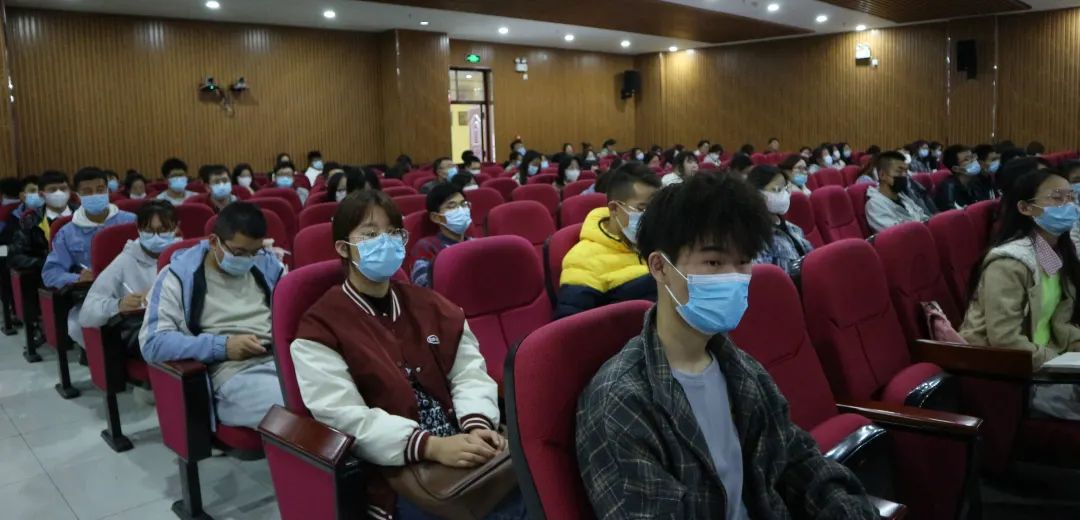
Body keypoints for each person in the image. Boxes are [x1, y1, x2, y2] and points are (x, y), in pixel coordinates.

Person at [575, 172, 877, 519]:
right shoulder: (621, 401)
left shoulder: (741, 369)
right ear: (659, 267)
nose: (733, 278)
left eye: (744, 261)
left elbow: (799, 463)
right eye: (714, 262)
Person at [288, 190, 524, 520]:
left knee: (534, 490)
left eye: (393, 232)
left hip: (465, 440)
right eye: (370, 234)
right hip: (397, 465)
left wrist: (477, 423)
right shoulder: (321, 326)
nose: (385, 242)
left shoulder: (430, 304)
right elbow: (343, 415)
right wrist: (431, 446)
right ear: (343, 248)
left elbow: (468, 371)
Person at [140, 202, 284, 428]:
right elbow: (153, 343)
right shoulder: (177, 276)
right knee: (292, 407)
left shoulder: (267, 265)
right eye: (239, 252)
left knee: (330, 394)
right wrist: (221, 347)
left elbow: (292, 312)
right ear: (214, 242)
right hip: (232, 372)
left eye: (254, 252)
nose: (247, 260)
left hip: (280, 359)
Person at [961, 169, 1080, 419]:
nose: (1068, 205)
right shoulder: (1010, 263)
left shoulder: (1054, 253)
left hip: (1048, 361)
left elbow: (1058, 320)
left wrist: (1074, 345)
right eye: (1057, 198)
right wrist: (1057, 360)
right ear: (1026, 208)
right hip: (1014, 376)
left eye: (1070, 197)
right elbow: (1005, 340)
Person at [44, 167, 137, 346]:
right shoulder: (67, 233)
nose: (95, 195)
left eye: (100, 190)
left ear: (108, 191)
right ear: (77, 195)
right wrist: (77, 278)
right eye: (87, 192)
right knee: (76, 326)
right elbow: (50, 273)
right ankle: (102, 359)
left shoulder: (131, 221)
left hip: (135, 288)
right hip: (94, 295)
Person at [555, 164, 660, 319]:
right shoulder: (583, 260)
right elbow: (571, 326)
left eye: (656, 209)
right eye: (642, 209)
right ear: (614, 209)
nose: (652, 217)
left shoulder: (658, 241)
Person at [78, 201, 178, 356]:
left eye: (163, 230)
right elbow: (86, 313)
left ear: (176, 228)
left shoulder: (185, 253)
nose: (156, 237)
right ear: (138, 229)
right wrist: (118, 305)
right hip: (147, 331)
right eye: (149, 231)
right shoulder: (125, 261)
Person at [749, 166, 813, 275]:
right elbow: (767, 278)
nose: (784, 194)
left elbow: (812, 256)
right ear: (757, 194)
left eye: (785, 188)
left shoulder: (794, 228)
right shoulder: (755, 237)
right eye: (777, 190)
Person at [10, 171, 76, 274]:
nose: (59, 193)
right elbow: (16, 256)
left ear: (69, 191)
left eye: (63, 189)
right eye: (53, 190)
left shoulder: (82, 214)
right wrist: (45, 263)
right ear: (41, 194)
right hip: (43, 274)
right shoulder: (30, 220)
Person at [410, 183, 472, 288]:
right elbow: (423, 288)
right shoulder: (426, 247)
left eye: (463, 204)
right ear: (436, 217)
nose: (461, 210)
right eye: (452, 206)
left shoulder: (476, 243)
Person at [865, 151, 930, 233]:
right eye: (899, 171)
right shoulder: (874, 205)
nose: (904, 175)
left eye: (906, 172)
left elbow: (923, 216)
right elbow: (897, 234)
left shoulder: (902, 196)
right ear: (882, 175)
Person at [935, 144, 994, 211]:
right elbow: (951, 215)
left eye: (972, 157)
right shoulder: (948, 188)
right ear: (956, 169)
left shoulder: (976, 182)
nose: (973, 161)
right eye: (967, 159)